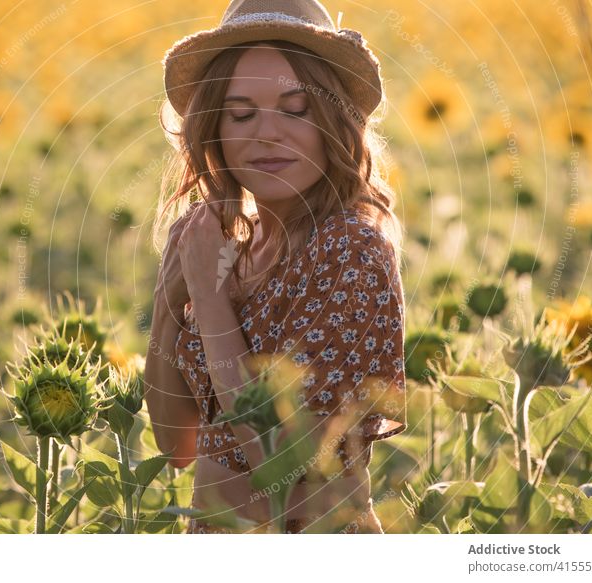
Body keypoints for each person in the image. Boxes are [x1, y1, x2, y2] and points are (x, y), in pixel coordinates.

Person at [144, 0, 407, 534]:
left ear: (335, 121)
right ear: (213, 129)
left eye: (295, 109)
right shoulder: (228, 248)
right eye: (241, 114)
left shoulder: (349, 251)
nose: (267, 134)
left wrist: (210, 300)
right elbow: (177, 447)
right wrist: (169, 304)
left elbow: (284, 466)